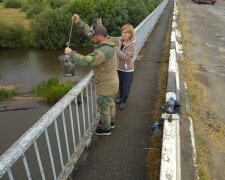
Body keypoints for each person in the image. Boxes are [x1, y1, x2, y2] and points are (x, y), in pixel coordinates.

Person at [64, 14, 119, 136]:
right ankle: (111, 123)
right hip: (113, 82)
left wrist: (71, 52)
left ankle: (106, 129)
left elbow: (84, 61)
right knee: (110, 104)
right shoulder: (108, 40)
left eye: (94, 37)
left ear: (100, 36)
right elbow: (90, 32)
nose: (91, 38)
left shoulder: (102, 51)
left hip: (105, 85)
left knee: (103, 108)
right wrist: (79, 22)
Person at [112, 24, 136, 110]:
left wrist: (115, 48)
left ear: (130, 34)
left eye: (125, 33)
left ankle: (124, 101)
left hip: (127, 70)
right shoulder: (119, 40)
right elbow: (110, 38)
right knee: (120, 86)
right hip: (119, 68)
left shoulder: (132, 45)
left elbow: (124, 57)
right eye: (122, 32)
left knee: (126, 87)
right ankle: (120, 98)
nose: (123, 34)